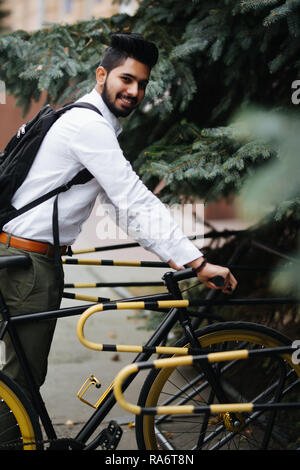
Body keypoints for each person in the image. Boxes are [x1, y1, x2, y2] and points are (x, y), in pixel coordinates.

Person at [0, 33, 237, 403]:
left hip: (22, 258)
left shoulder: (86, 120)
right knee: (21, 385)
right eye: (126, 79)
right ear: (101, 75)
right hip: (28, 266)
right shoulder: (90, 127)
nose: (134, 91)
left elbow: (122, 208)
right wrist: (197, 261)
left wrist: (178, 257)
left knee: (18, 381)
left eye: (141, 84)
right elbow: (133, 199)